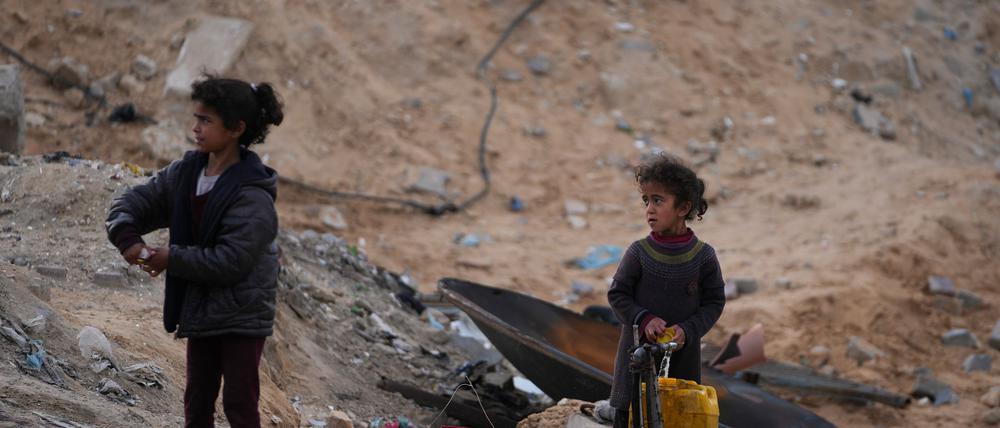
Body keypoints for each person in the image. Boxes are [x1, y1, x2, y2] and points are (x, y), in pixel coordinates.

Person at [105, 75, 283, 427]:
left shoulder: (253, 196)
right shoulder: (188, 173)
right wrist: (127, 237)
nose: (195, 128)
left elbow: (231, 262)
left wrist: (170, 258)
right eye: (196, 118)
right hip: (201, 308)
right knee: (197, 400)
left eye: (206, 121)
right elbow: (138, 200)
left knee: (239, 403)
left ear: (236, 129)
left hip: (242, 316)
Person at [607, 153, 726, 425]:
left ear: (683, 208)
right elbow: (617, 294)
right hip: (635, 361)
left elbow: (714, 302)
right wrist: (644, 318)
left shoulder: (703, 257)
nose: (649, 208)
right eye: (646, 201)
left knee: (676, 416)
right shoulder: (639, 253)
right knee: (630, 417)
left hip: (681, 362)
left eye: (658, 200)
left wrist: (689, 329)